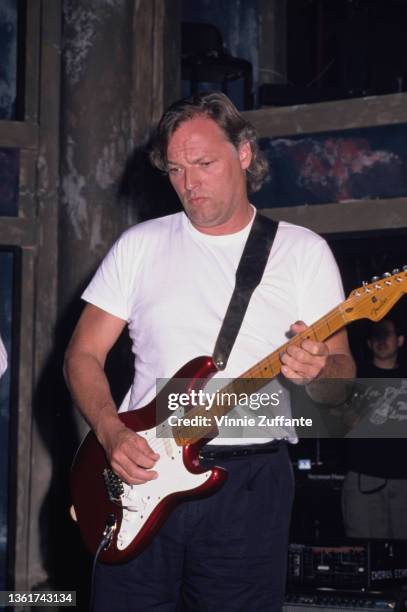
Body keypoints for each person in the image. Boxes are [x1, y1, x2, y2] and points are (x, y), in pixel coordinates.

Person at [64, 92, 355, 612]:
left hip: (249, 484)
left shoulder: (302, 252)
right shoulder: (139, 244)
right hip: (142, 470)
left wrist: (318, 372)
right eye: (175, 169)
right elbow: (82, 354)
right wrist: (110, 433)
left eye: (203, 164)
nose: (188, 183)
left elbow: (340, 382)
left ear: (244, 152)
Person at [342, 318, 407, 539]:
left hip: (404, 481)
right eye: (376, 336)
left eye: (386, 334)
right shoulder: (355, 378)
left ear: (400, 340)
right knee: (368, 554)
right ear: (369, 343)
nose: (381, 340)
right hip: (364, 479)